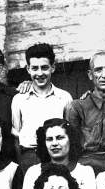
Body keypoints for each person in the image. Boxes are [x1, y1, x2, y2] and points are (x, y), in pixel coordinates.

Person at [19, 119, 97, 189]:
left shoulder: (85, 172)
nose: (54, 143)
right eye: (49, 139)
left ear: (70, 140)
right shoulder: (33, 172)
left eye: (60, 138)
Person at [11, 43, 73, 172]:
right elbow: (16, 134)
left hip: (57, 156)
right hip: (29, 156)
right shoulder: (19, 99)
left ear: (53, 68)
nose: (39, 73)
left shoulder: (64, 97)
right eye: (35, 68)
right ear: (28, 69)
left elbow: (69, 132)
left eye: (44, 68)